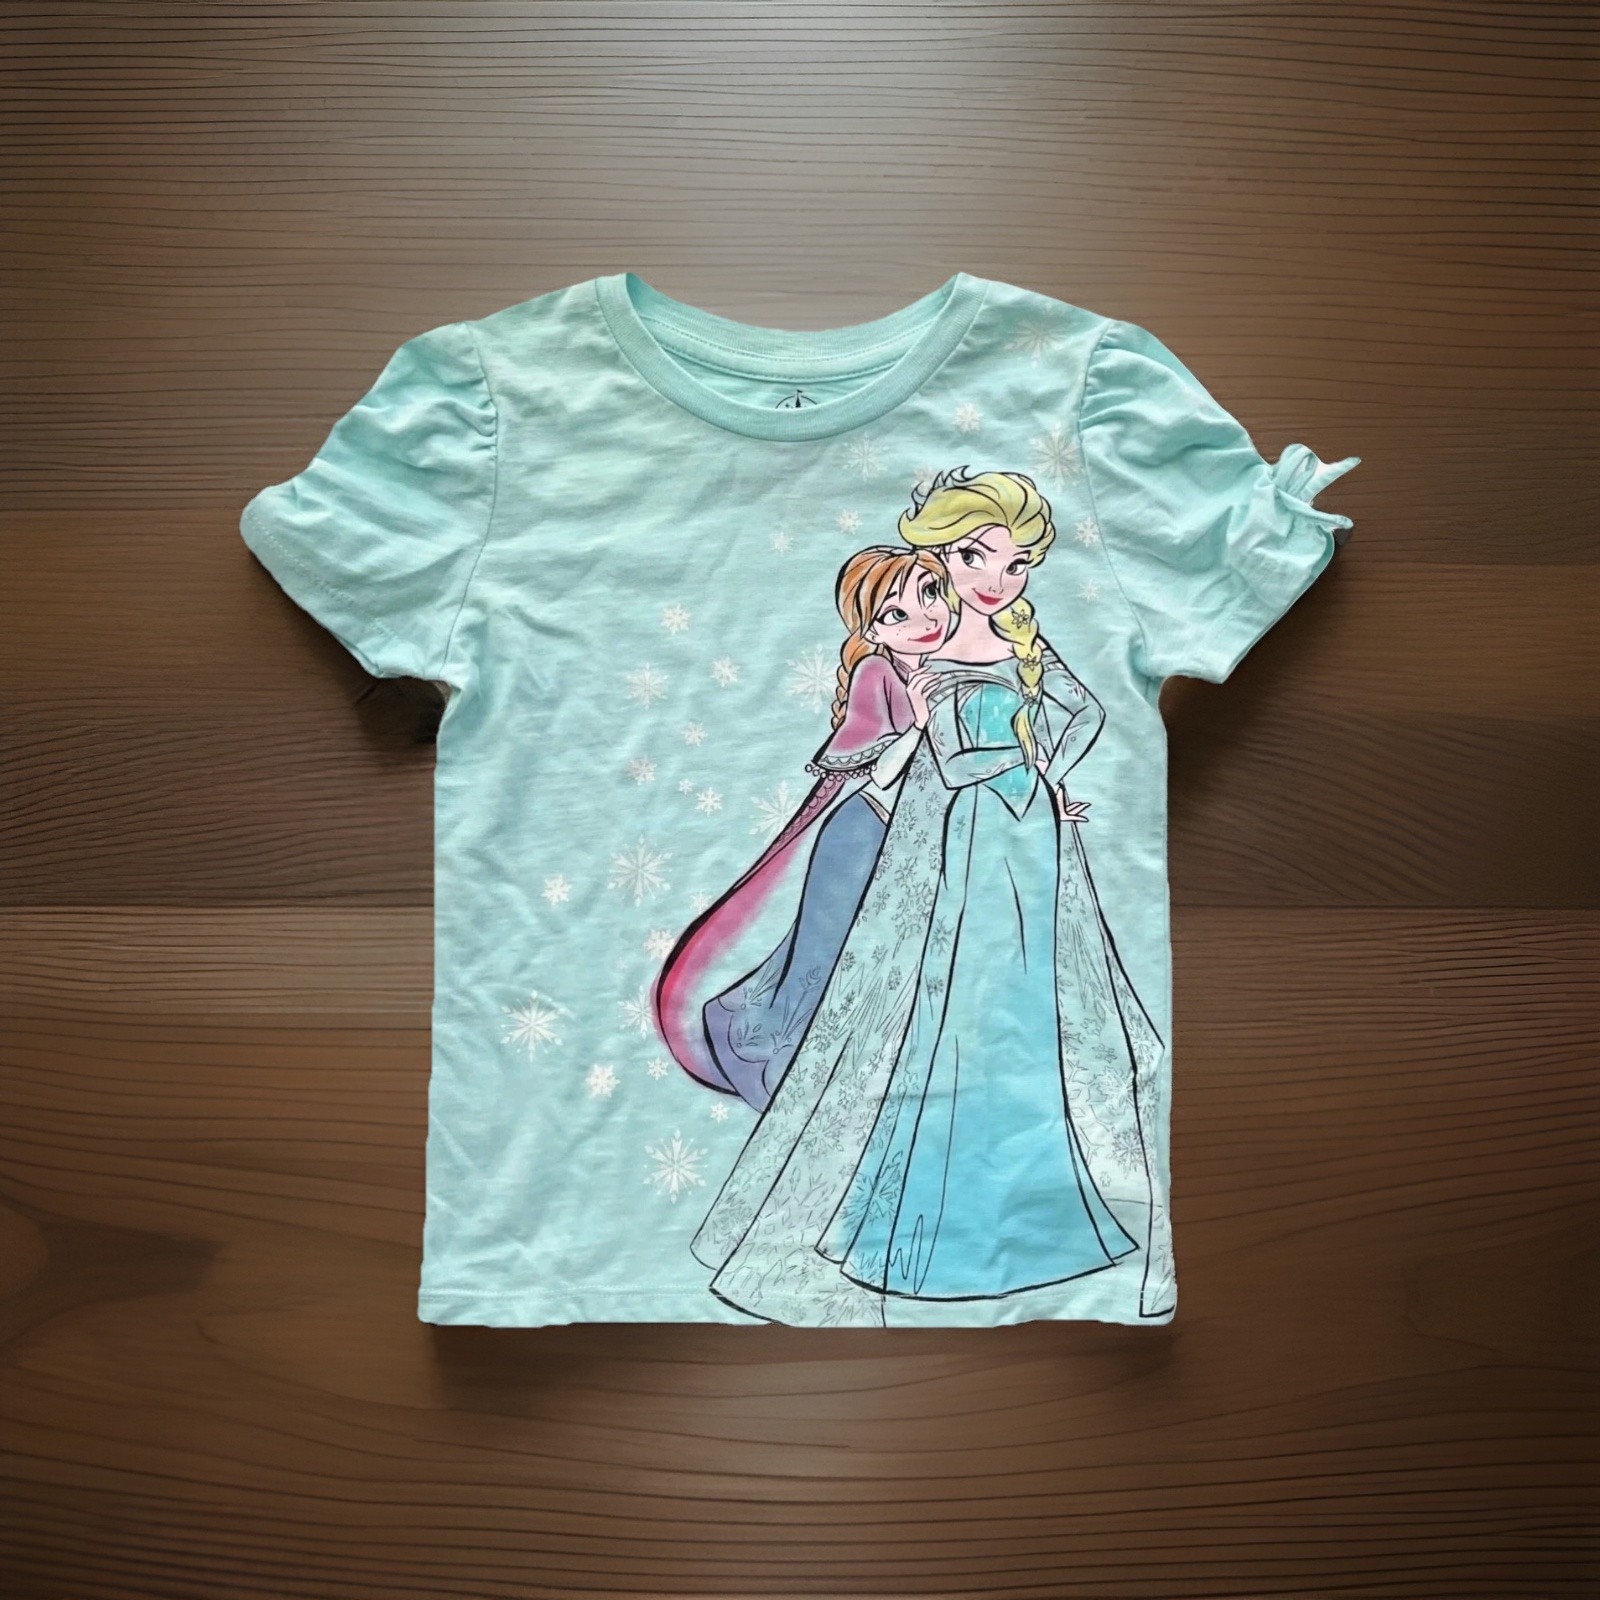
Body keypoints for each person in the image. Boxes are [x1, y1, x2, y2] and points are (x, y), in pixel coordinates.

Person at [690, 469, 1166, 1326]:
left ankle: (1041, 1203)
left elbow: (1083, 712)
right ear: (940, 555)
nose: (995, 579)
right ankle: (917, 1227)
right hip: (968, 838)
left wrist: (1043, 775)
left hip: (1026, 837)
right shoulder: (924, 663)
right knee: (949, 1014)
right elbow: (949, 761)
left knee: (1022, 1009)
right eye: (975, 557)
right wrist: (1023, 768)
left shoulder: (1020, 643)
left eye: (1016, 564)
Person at [653, 545, 953, 1111]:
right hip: (863, 837)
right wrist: (920, 724)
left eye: (930, 592)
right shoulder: (877, 673)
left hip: (911, 845)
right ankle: (777, 1071)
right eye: (896, 612)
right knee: (822, 962)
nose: (924, 616)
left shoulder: (948, 669)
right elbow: (882, 770)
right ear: (872, 629)